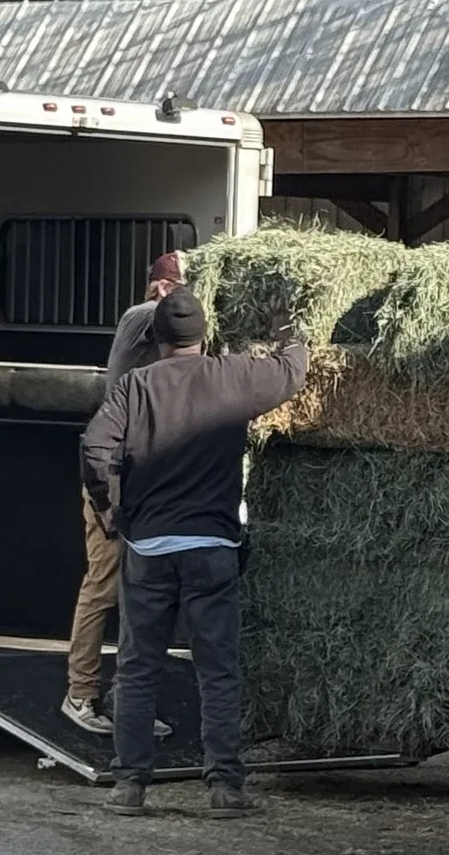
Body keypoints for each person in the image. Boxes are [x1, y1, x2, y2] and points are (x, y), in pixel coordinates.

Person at [79, 287, 308, 815]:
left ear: (156, 337)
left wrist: (112, 512)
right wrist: (285, 327)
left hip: (149, 547)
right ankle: (225, 786)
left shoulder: (136, 386)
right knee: (218, 669)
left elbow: (94, 446)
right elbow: (292, 369)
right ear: (204, 336)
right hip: (212, 546)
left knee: (137, 668)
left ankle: (130, 785)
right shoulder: (233, 375)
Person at [63, 248, 187, 731]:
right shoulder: (138, 319)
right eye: (177, 289)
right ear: (160, 288)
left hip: (146, 476)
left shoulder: (162, 339)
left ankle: (128, 701)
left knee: (141, 592)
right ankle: (80, 693)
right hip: (113, 477)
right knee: (104, 583)